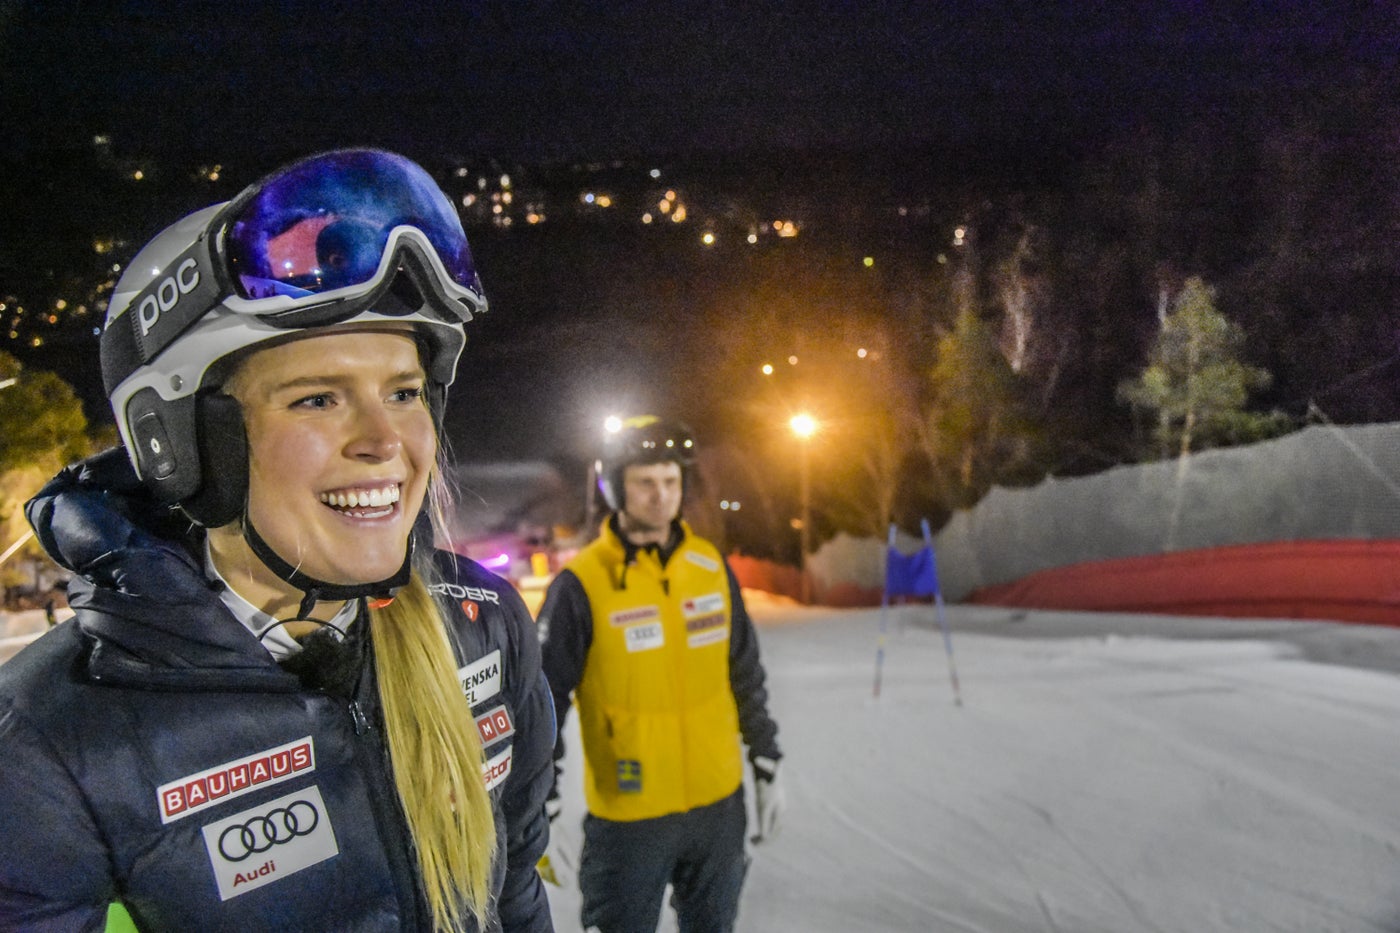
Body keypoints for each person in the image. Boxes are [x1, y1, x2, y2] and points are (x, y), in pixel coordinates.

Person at [0, 149, 555, 932]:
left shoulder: (484, 628)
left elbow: (515, 901)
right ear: (182, 444)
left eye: (403, 392)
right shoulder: (53, 746)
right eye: (319, 398)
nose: (384, 440)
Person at [538, 415, 784, 933]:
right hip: (630, 818)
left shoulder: (709, 566)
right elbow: (546, 698)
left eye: (671, 482)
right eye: (646, 482)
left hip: (718, 808)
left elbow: (744, 671)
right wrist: (542, 795)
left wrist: (764, 756)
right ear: (616, 487)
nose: (661, 496)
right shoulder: (581, 585)